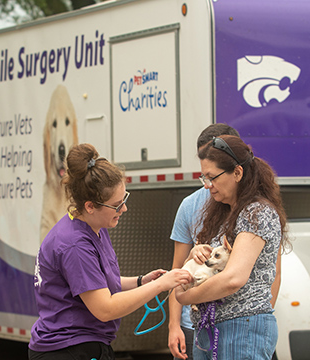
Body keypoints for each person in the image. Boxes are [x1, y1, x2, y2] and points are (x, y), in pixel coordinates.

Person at [28, 143, 192, 360]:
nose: (124, 208)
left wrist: (142, 281)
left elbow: (98, 282)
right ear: (90, 206)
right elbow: (105, 308)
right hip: (66, 349)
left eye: (124, 199)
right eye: (116, 205)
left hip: (83, 343)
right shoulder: (74, 245)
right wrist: (161, 284)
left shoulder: (94, 226)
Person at [175, 135, 289, 360]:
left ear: (237, 173)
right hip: (212, 327)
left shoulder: (257, 212)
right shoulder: (223, 213)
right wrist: (195, 254)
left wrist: (187, 297)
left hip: (241, 329)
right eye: (203, 177)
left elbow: (233, 278)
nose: (207, 185)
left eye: (212, 177)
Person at [168, 124, 240, 360]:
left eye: (213, 171)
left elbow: (274, 272)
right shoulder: (190, 205)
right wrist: (174, 326)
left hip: (237, 322)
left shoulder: (253, 208)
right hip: (196, 324)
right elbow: (176, 271)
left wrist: (257, 315)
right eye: (204, 173)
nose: (208, 182)